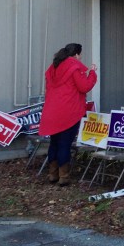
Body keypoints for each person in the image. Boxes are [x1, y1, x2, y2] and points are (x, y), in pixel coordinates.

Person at [38, 43, 98, 186]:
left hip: (51, 112)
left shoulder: (54, 67)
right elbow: (84, 87)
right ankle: (63, 177)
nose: (81, 58)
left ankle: (53, 174)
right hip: (68, 112)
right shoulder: (74, 67)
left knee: (54, 143)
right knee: (65, 144)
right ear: (76, 54)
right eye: (80, 55)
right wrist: (93, 73)